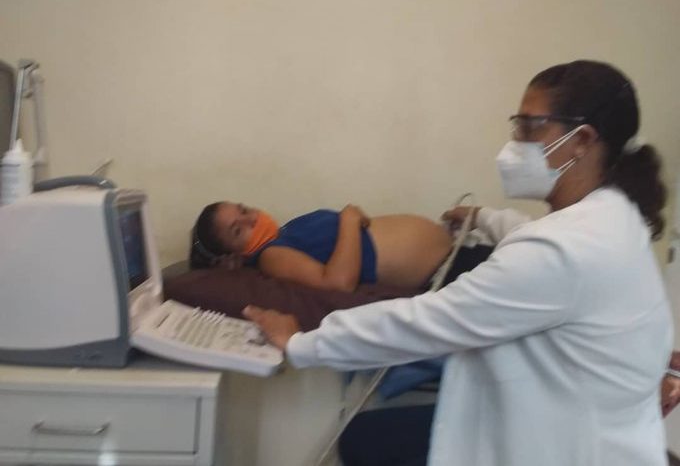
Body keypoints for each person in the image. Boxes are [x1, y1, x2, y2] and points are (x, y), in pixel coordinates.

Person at [243, 60, 674, 466]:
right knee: (368, 437)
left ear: (581, 141)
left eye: (530, 126)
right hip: (583, 424)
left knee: (367, 440)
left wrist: (303, 343)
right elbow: (529, 238)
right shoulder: (612, 218)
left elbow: (427, 321)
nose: (515, 142)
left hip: (566, 444)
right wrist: (482, 217)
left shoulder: (564, 249)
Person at [190, 203, 470, 291]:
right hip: (446, 273)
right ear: (234, 256)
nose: (251, 218)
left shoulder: (286, 233)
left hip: (455, 253)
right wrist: (348, 219)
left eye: (243, 210)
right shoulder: (270, 256)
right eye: (238, 230)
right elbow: (337, 283)